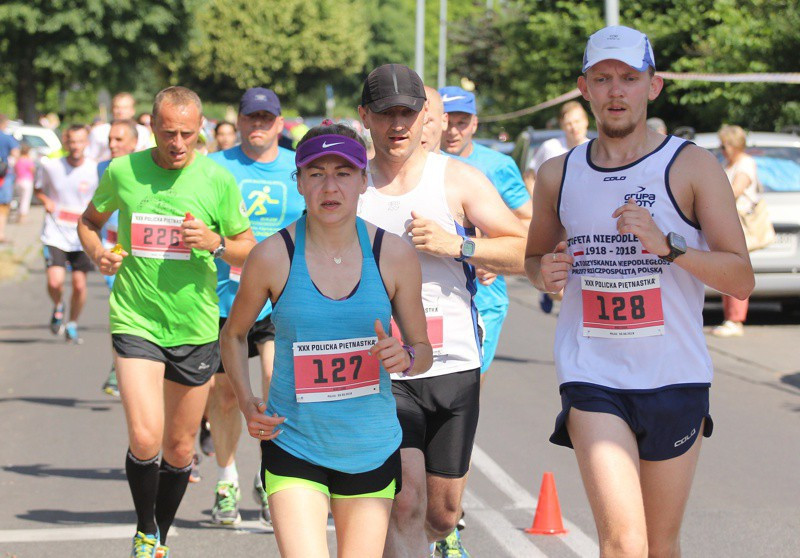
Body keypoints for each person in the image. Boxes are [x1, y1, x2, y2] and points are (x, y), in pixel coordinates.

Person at [525, 25, 754, 558]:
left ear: (653, 85)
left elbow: (740, 277)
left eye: (629, 78)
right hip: (592, 376)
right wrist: (545, 273)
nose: (616, 91)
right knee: (624, 544)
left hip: (674, 375)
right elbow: (534, 259)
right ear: (584, 87)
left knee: (660, 544)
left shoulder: (692, 166)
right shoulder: (558, 173)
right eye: (603, 79)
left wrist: (669, 247)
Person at [220, 123, 433, 557]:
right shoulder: (272, 256)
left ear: (364, 181)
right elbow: (234, 333)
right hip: (293, 441)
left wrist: (405, 356)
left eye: (344, 172)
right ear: (298, 182)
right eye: (316, 173)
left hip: (369, 446)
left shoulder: (393, 254)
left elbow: (423, 351)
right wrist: (246, 402)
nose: (330, 186)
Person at [356, 63, 527, 558]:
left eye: (408, 112)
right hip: (381, 366)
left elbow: (524, 249)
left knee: (440, 513)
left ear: (425, 115)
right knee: (404, 500)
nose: (398, 124)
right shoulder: (351, 185)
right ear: (365, 117)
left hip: (453, 362)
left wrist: (461, 246)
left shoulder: (457, 180)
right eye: (386, 113)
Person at [78, 86, 256, 558]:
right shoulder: (123, 171)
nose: (178, 143)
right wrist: (99, 253)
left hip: (194, 326)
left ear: (200, 132)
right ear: (151, 127)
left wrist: (214, 241)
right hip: (135, 317)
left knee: (179, 449)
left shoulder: (216, 180)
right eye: (168, 132)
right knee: (144, 435)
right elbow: (89, 222)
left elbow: (248, 249)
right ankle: (143, 530)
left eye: (188, 134)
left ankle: (160, 533)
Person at [206, 87, 305, 527]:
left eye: (267, 118)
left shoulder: (296, 168)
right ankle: (226, 481)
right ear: (240, 121)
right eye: (252, 118)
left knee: (274, 386)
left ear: (280, 123)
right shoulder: (215, 167)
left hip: (279, 298)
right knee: (226, 396)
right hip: (224, 299)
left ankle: (269, 478)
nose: (259, 125)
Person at [439, 85, 531, 383]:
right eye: (447, 121)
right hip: (434, 298)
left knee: (464, 385)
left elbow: (528, 221)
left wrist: (489, 250)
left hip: (485, 299)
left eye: (461, 122)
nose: (453, 130)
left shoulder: (498, 166)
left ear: (474, 123)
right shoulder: (422, 164)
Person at [35, 124, 98, 343]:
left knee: (80, 285)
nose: (76, 146)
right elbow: (38, 189)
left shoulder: (95, 169)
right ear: (65, 142)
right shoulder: (51, 166)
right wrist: (46, 201)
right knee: (55, 281)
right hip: (56, 231)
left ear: (87, 143)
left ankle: (72, 322)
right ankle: (58, 305)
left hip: (82, 234)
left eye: (80, 141)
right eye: (72, 142)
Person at [96, 118, 140, 397]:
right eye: (110, 140)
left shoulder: (144, 169)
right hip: (113, 247)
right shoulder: (103, 167)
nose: (112, 145)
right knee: (122, 308)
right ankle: (119, 366)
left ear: (135, 143)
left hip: (141, 250)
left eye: (119, 140)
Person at [713, 124, 760, 338]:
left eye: (724, 145)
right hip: (730, 223)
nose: (721, 149)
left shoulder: (745, 164)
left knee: (735, 271)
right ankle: (731, 317)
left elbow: (734, 191)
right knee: (727, 271)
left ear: (733, 144)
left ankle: (735, 320)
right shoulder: (730, 162)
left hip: (739, 224)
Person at [88, 92, 152, 160]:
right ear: (111, 110)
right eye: (117, 107)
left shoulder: (143, 132)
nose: (120, 111)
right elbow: (91, 158)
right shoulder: (98, 131)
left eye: (125, 107)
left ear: (133, 110)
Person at [0, 113, 20, 243]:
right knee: (3, 206)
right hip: (4, 174)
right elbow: (15, 154)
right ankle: (0, 233)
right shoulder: (8, 138)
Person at [420, 86, 447, 153]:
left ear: (444, 121)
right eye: (412, 123)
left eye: (426, 122)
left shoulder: (463, 163)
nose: (418, 130)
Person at [14, 142, 35, 223]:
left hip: (18, 180)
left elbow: (15, 170)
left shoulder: (18, 160)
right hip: (27, 181)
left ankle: (17, 215)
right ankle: (22, 217)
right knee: (25, 199)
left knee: (19, 199)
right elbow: (32, 170)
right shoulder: (28, 160)